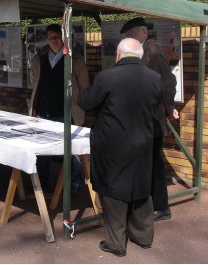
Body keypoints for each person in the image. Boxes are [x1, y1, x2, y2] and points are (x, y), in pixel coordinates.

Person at [78, 38, 163, 257]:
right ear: (140, 55)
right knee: (141, 187)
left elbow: (86, 102)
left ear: (118, 54)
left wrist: (81, 91)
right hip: (143, 141)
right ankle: (144, 236)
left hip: (113, 143)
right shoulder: (154, 78)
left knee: (114, 190)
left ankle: (116, 243)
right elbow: (155, 104)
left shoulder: (107, 77)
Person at [120, 17, 179, 222]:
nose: (130, 38)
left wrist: (169, 109)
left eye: (132, 34)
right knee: (149, 161)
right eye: (127, 36)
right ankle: (153, 205)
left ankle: (161, 207)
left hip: (151, 117)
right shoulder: (141, 50)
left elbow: (167, 81)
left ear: (144, 32)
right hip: (142, 117)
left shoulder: (151, 51)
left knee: (153, 162)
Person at [28, 23, 89, 192]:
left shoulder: (74, 58)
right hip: (42, 109)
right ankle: (43, 182)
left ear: (64, 38)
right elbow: (34, 80)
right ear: (46, 39)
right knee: (42, 148)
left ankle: (75, 183)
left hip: (67, 111)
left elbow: (84, 85)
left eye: (57, 37)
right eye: (50, 37)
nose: (54, 40)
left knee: (71, 148)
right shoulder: (39, 57)